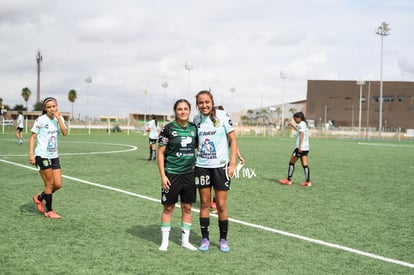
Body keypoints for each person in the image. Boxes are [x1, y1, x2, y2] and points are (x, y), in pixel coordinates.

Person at [194, 90, 238, 252]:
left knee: (220, 204)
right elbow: (196, 143)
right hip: (202, 167)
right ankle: (205, 239)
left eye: (207, 102)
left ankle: (223, 239)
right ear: (197, 105)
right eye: (200, 102)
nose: (204, 105)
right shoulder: (196, 120)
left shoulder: (222, 115)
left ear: (211, 102)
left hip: (221, 167)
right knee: (205, 203)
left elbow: (233, 139)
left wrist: (232, 163)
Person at [157, 99, 198, 251]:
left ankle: (185, 241)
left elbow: (199, 147)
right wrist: (163, 175)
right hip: (172, 174)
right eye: (179, 109)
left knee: (187, 207)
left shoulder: (194, 129)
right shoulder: (167, 129)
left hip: (189, 174)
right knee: (168, 208)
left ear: (189, 111)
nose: (183, 111)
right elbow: (160, 153)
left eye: (185, 109)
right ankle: (165, 242)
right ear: (175, 111)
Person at [30, 97, 68, 219]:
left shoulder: (59, 118)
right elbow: (32, 137)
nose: (52, 109)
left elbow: (65, 133)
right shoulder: (40, 120)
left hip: (54, 156)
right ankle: (49, 211)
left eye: (54, 106)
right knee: (50, 183)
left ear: (57, 106)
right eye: (49, 107)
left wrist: (58, 119)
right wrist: (31, 155)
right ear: (45, 109)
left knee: (58, 185)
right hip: (42, 155)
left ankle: (39, 198)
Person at [210, 105, 244, 215]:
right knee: (213, 185)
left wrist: (239, 156)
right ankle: (216, 204)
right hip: (211, 161)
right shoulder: (212, 127)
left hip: (223, 162)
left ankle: (219, 206)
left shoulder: (225, 127)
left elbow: (233, 142)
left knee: (220, 186)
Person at [279, 111, 311, 187]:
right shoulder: (304, 124)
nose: (295, 120)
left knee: (291, 162)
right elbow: (299, 131)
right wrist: (292, 126)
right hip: (306, 148)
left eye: (295, 119)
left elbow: (302, 134)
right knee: (305, 165)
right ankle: (308, 182)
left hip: (300, 148)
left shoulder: (301, 124)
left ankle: (288, 180)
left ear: (299, 118)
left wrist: (300, 146)